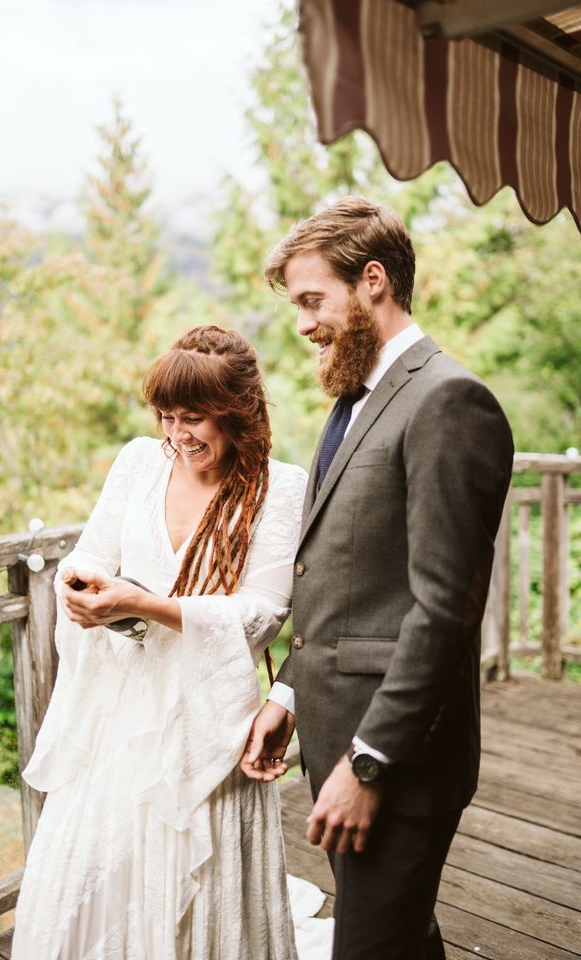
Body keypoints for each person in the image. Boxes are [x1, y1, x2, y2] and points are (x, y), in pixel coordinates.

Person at [242, 197, 514, 960]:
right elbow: (348, 581)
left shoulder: (448, 401)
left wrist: (369, 764)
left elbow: (443, 611)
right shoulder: (356, 402)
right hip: (336, 741)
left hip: (397, 765)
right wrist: (289, 693)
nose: (302, 324)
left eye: (311, 300)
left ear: (372, 281)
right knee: (399, 943)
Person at [11, 325, 310, 960]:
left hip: (208, 722)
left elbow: (262, 614)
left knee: (194, 900)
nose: (178, 434)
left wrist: (144, 604)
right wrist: (80, 584)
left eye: (195, 418)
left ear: (239, 413)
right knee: (98, 877)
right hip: (117, 718)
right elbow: (93, 549)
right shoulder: (138, 462)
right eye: (168, 416)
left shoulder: (279, 488)